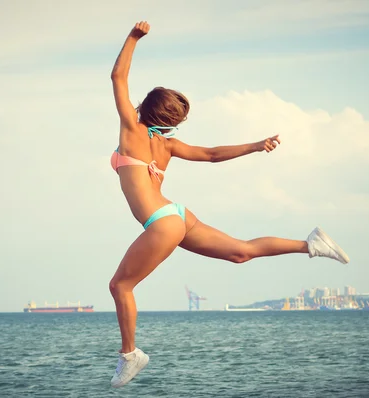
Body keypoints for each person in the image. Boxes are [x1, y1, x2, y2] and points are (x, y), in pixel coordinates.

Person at [108, 21, 350, 388]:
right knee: (241, 252)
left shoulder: (132, 130)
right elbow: (210, 154)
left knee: (120, 287)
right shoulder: (167, 145)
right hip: (176, 215)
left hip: (161, 222)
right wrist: (255, 145)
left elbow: (117, 77)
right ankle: (310, 244)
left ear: (144, 108)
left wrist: (133, 38)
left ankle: (131, 355)